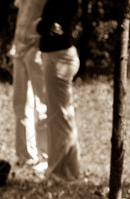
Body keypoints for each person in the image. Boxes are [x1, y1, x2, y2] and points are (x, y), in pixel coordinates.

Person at [38, 0, 81, 181]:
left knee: (60, 118)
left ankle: (59, 173)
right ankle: (70, 170)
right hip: (60, 57)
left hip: (59, 59)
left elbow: (43, 26)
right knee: (61, 116)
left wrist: (42, 25)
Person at [11, 0, 48, 173]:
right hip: (19, 49)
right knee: (20, 104)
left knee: (43, 105)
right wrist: (15, 44)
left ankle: (47, 156)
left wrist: (39, 43)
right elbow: (22, 16)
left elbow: (51, 15)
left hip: (36, 49)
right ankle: (25, 156)